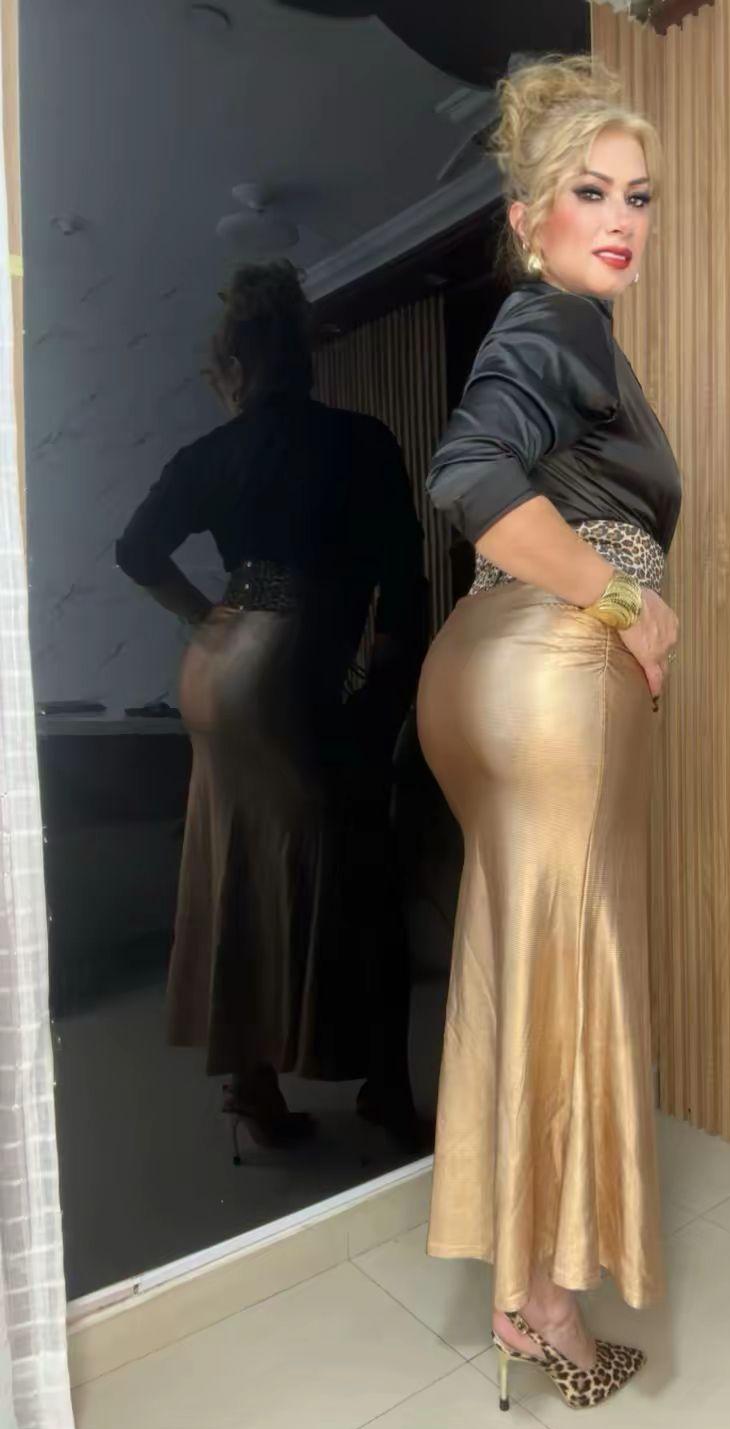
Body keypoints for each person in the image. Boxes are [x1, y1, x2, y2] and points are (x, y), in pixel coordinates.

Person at [418, 56, 681, 1411]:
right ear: (529, 216)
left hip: (488, 662)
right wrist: (629, 602)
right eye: (590, 191)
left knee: (524, 966)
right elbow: (468, 470)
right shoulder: (557, 320)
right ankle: (553, 1310)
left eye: (638, 194)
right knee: (573, 970)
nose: (620, 218)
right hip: (554, 668)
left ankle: (522, 1285)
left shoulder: (563, 327)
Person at [116, 261, 425, 1157]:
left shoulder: (211, 454)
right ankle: (385, 1090)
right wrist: (386, 687)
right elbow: (401, 584)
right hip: (291, 673)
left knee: (237, 869)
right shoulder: (360, 441)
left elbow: (136, 550)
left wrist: (205, 619)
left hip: (216, 673)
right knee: (365, 872)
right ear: (304, 356)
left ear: (235, 368)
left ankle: (252, 1086)